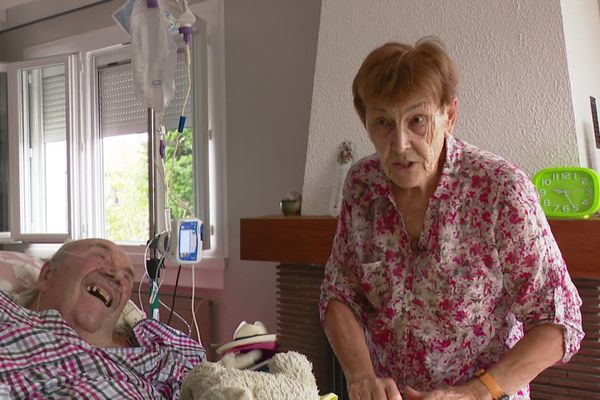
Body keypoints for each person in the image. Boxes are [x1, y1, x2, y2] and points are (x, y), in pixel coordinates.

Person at [319, 37, 584, 400]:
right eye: (382, 122)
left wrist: (475, 392)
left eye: (417, 121)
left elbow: (560, 321)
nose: (399, 144)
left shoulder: (500, 190)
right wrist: (361, 375)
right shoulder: (362, 186)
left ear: (450, 115)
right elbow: (339, 294)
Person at [0, 238, 206, 399]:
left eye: (127, 277)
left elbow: (216, 381)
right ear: (47, 275)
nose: (117, 276)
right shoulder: (9, 319)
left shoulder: (161, 348)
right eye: (100, 257)